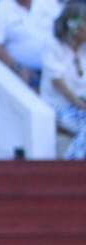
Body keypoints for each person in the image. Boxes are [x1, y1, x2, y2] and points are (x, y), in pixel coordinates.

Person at [43, 2, 86, 158]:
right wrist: (79, 103)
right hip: (59, 106)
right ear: (74, 24)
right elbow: (58, 82)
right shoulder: (54, 45)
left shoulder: (84, 49)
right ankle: (72, 162)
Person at [0, 0, 61, 84]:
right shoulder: (1, 7)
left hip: (53, 72)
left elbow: (63, 30)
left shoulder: (49, 3)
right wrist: (17, 68)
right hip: (22, 73)